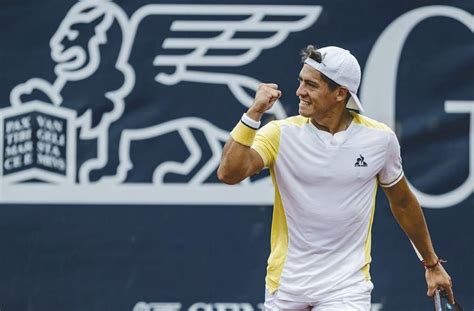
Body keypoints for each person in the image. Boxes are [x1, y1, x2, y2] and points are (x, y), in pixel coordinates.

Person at [217, 45, 455, 310]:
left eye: (311, 85)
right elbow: (229, 173)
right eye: (300, 82)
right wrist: (253, 114)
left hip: (346, 288)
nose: (299, 92)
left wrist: (432, 264)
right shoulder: (280, 134)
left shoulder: (379, 139)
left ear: (340, 93)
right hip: (286, 285)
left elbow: (402, 203)